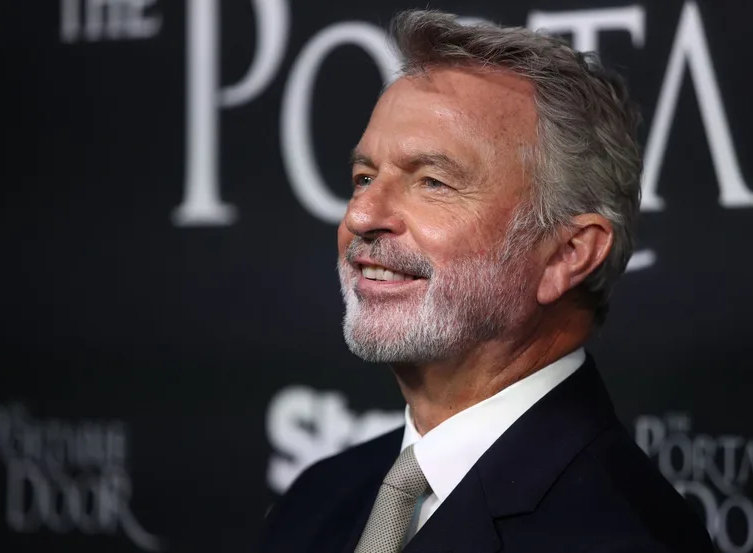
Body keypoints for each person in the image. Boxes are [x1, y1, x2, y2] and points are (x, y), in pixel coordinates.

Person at [263, 8, 714, 553]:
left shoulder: (620, 536)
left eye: (432, 182)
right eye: (364, 177)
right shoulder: (316, 500)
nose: (361, 216)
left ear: (568, 254)